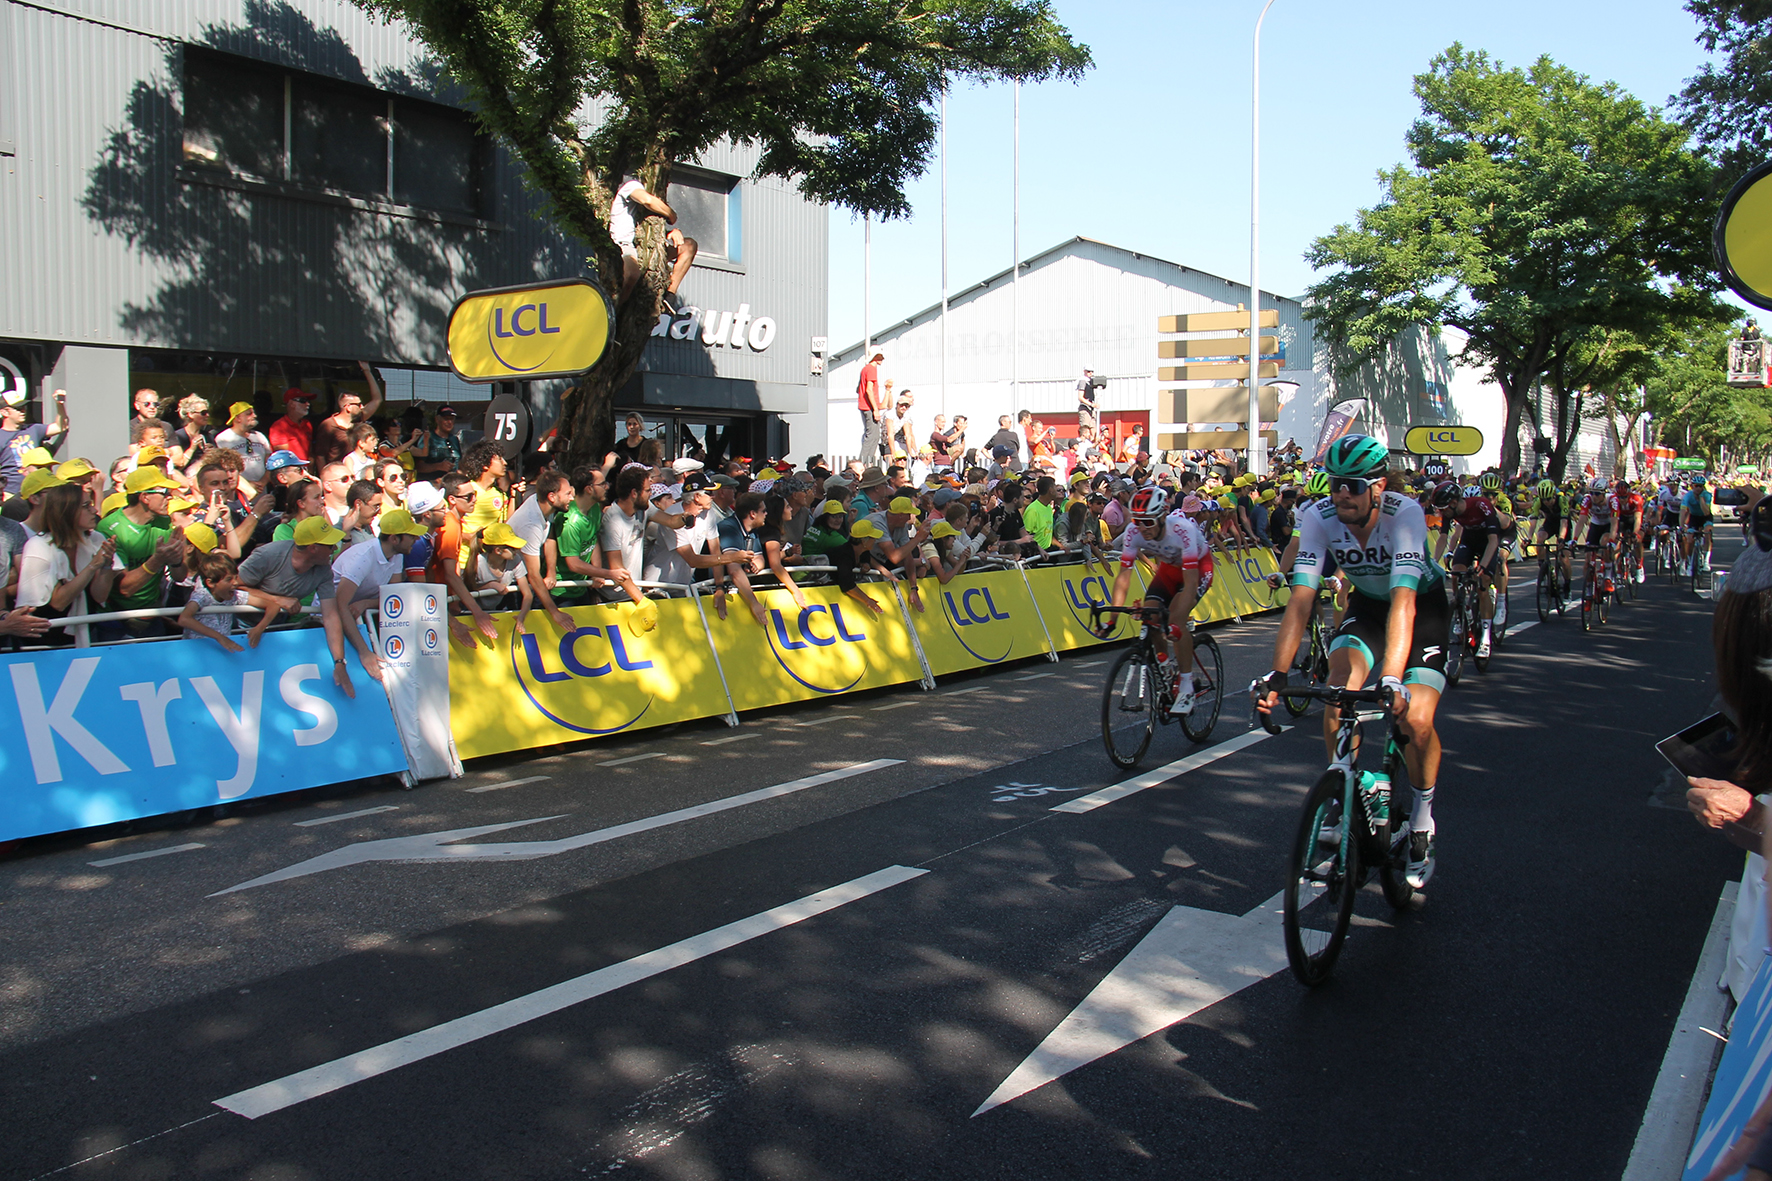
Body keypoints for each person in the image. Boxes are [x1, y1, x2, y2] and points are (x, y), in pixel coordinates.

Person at [1254, 434, 1450, 889]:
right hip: (1367, 605)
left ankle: (1422, 821)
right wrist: (1278, 675)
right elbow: (1301, 601)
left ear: (1379, 486)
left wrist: (1393, 680)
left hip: (1421, 608)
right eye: (1336, 483)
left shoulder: (1405, 514)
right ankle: (1345, 788)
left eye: (1354, 485)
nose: (1342, 493)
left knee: (1415, 721)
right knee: (1338, 687)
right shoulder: (1317, 516)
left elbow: (1404, 603)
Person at [1101, 486, 1214, 716]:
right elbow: (1124, 577)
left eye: (1149, 522)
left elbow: (1191, 582)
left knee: (1175, 622)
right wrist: (1112, 620)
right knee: (1150, 619)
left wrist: (1177, 620)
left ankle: (1186, 686)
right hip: (1169, 570)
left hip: (1197, 571)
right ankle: (1165, 668)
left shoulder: (1183, 530)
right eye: (1139, 521)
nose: (1143, 528)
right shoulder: (1134, 532)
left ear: (1162, 517)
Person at [237, 516, 380, 693]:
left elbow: (331, 616)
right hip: (241, 629)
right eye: (329, 545)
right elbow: (234, 586)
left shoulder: (323, 570)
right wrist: (276, 600)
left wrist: (339, 662)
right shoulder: (268, 555)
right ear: (313, 548)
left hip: (278, 627)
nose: (334, 549)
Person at [15, 482, 119, 646]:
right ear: (66, 512)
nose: (94, 511)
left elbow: (100, 596)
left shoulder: (96, 538)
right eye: (86, 506)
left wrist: (106, 564)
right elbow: (58, 602)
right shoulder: (39, 545)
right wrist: (92, 566)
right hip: (41, 638)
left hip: (80, 634)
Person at [94, 467, 187, 639]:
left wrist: (176, 560)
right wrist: (157, 560)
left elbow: (180, 576)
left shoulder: (164, 521)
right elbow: (124, 589)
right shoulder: (110, 529)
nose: (170, 497)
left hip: (152, 618)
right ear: (145, 497)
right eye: (165, 493)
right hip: (115, 621)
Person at [609, 176, 699, 300]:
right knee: (632, 274)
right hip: (623, 244)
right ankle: (615, 309)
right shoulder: (631, 186)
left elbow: (648, 228)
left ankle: (669, 295)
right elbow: (647, 201)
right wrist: (672, 215)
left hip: (643, 248)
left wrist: (671, 232)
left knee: (689, 246)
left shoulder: (643, 213)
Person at [310, 366, 383, 473]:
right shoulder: (328, 426)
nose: (362, 407)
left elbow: (377, 400)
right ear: (348, 407)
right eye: (358, 404)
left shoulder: (358, 420)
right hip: (338, 477)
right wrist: (326, 479)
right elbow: (320, 456)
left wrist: (367, 370)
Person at [0, 387, 68, 496]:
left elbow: (60, 427)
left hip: (38, 488)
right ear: (4, 412)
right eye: (18, 408)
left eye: (24, 407)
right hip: (10, 492)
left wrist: (59, 405)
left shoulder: (33, 429)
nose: (23, 411)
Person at [176, 552, 249, 651]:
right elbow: (184, 619)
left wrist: (259, 628)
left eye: (236, 578)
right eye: (229, 579)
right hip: (195, 650)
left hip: (219, 650)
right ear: (210, 583)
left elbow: (270, 604)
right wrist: (219, 637)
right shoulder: (201, 595)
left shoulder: (234, 595)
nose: (236, 583)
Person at [215, 401, 273, 486]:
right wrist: (247, 485)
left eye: (253, 413)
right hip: (239, 490)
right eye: (249, 414)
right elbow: (223, 467)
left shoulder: (260, 436)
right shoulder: (223, 439)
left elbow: (269, 462)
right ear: (237, 418)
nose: (255, 416)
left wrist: (263, 482)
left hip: (262, 488)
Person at [412, 405, 461, 480]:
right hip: (432, 483)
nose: (449, 422)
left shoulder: (454, 439)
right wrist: (438, 466)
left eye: (452, 419)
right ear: (437, 420)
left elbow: (459, 462)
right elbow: (418, 466)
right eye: (446, 419)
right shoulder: (428, 438)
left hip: (452, 483)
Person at [266, 390, 314, 464]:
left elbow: (309, 452)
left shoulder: (307, 424)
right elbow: (282, 456)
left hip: (305, 471)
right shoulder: (279, 426)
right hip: (291, 471)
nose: (308, 404)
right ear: (291, 404)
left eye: (308, 401)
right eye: (303, 401)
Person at [857, 352, 886, 462]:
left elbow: (858, 389)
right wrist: (875, 409)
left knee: (874, 436)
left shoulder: (865, 369)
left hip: (865, 406)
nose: (882, 359)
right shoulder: (871, 369)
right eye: (880, 356)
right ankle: (862, 464)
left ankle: (866, 462)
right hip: (868, 407)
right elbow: (869, 390)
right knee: (871, 436)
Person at [1076, 368, 1099, 434]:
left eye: (1092, 371)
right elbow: (1080, 397)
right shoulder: (1083, 381)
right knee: (1085, 431)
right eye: (1088, 371)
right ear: (1084, 371)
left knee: (1093, 431)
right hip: (1085, 408)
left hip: (1092, 409)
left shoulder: (1092, 382)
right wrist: (1091, 404)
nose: (1090, 373)